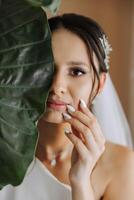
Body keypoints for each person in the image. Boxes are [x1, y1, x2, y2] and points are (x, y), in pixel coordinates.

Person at [0, 13, 134, 200]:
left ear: (100, 84)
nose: (57, 86)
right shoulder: (3, 150)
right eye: (47, 68)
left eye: (77, 71)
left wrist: (80, 181)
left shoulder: (121, 164)